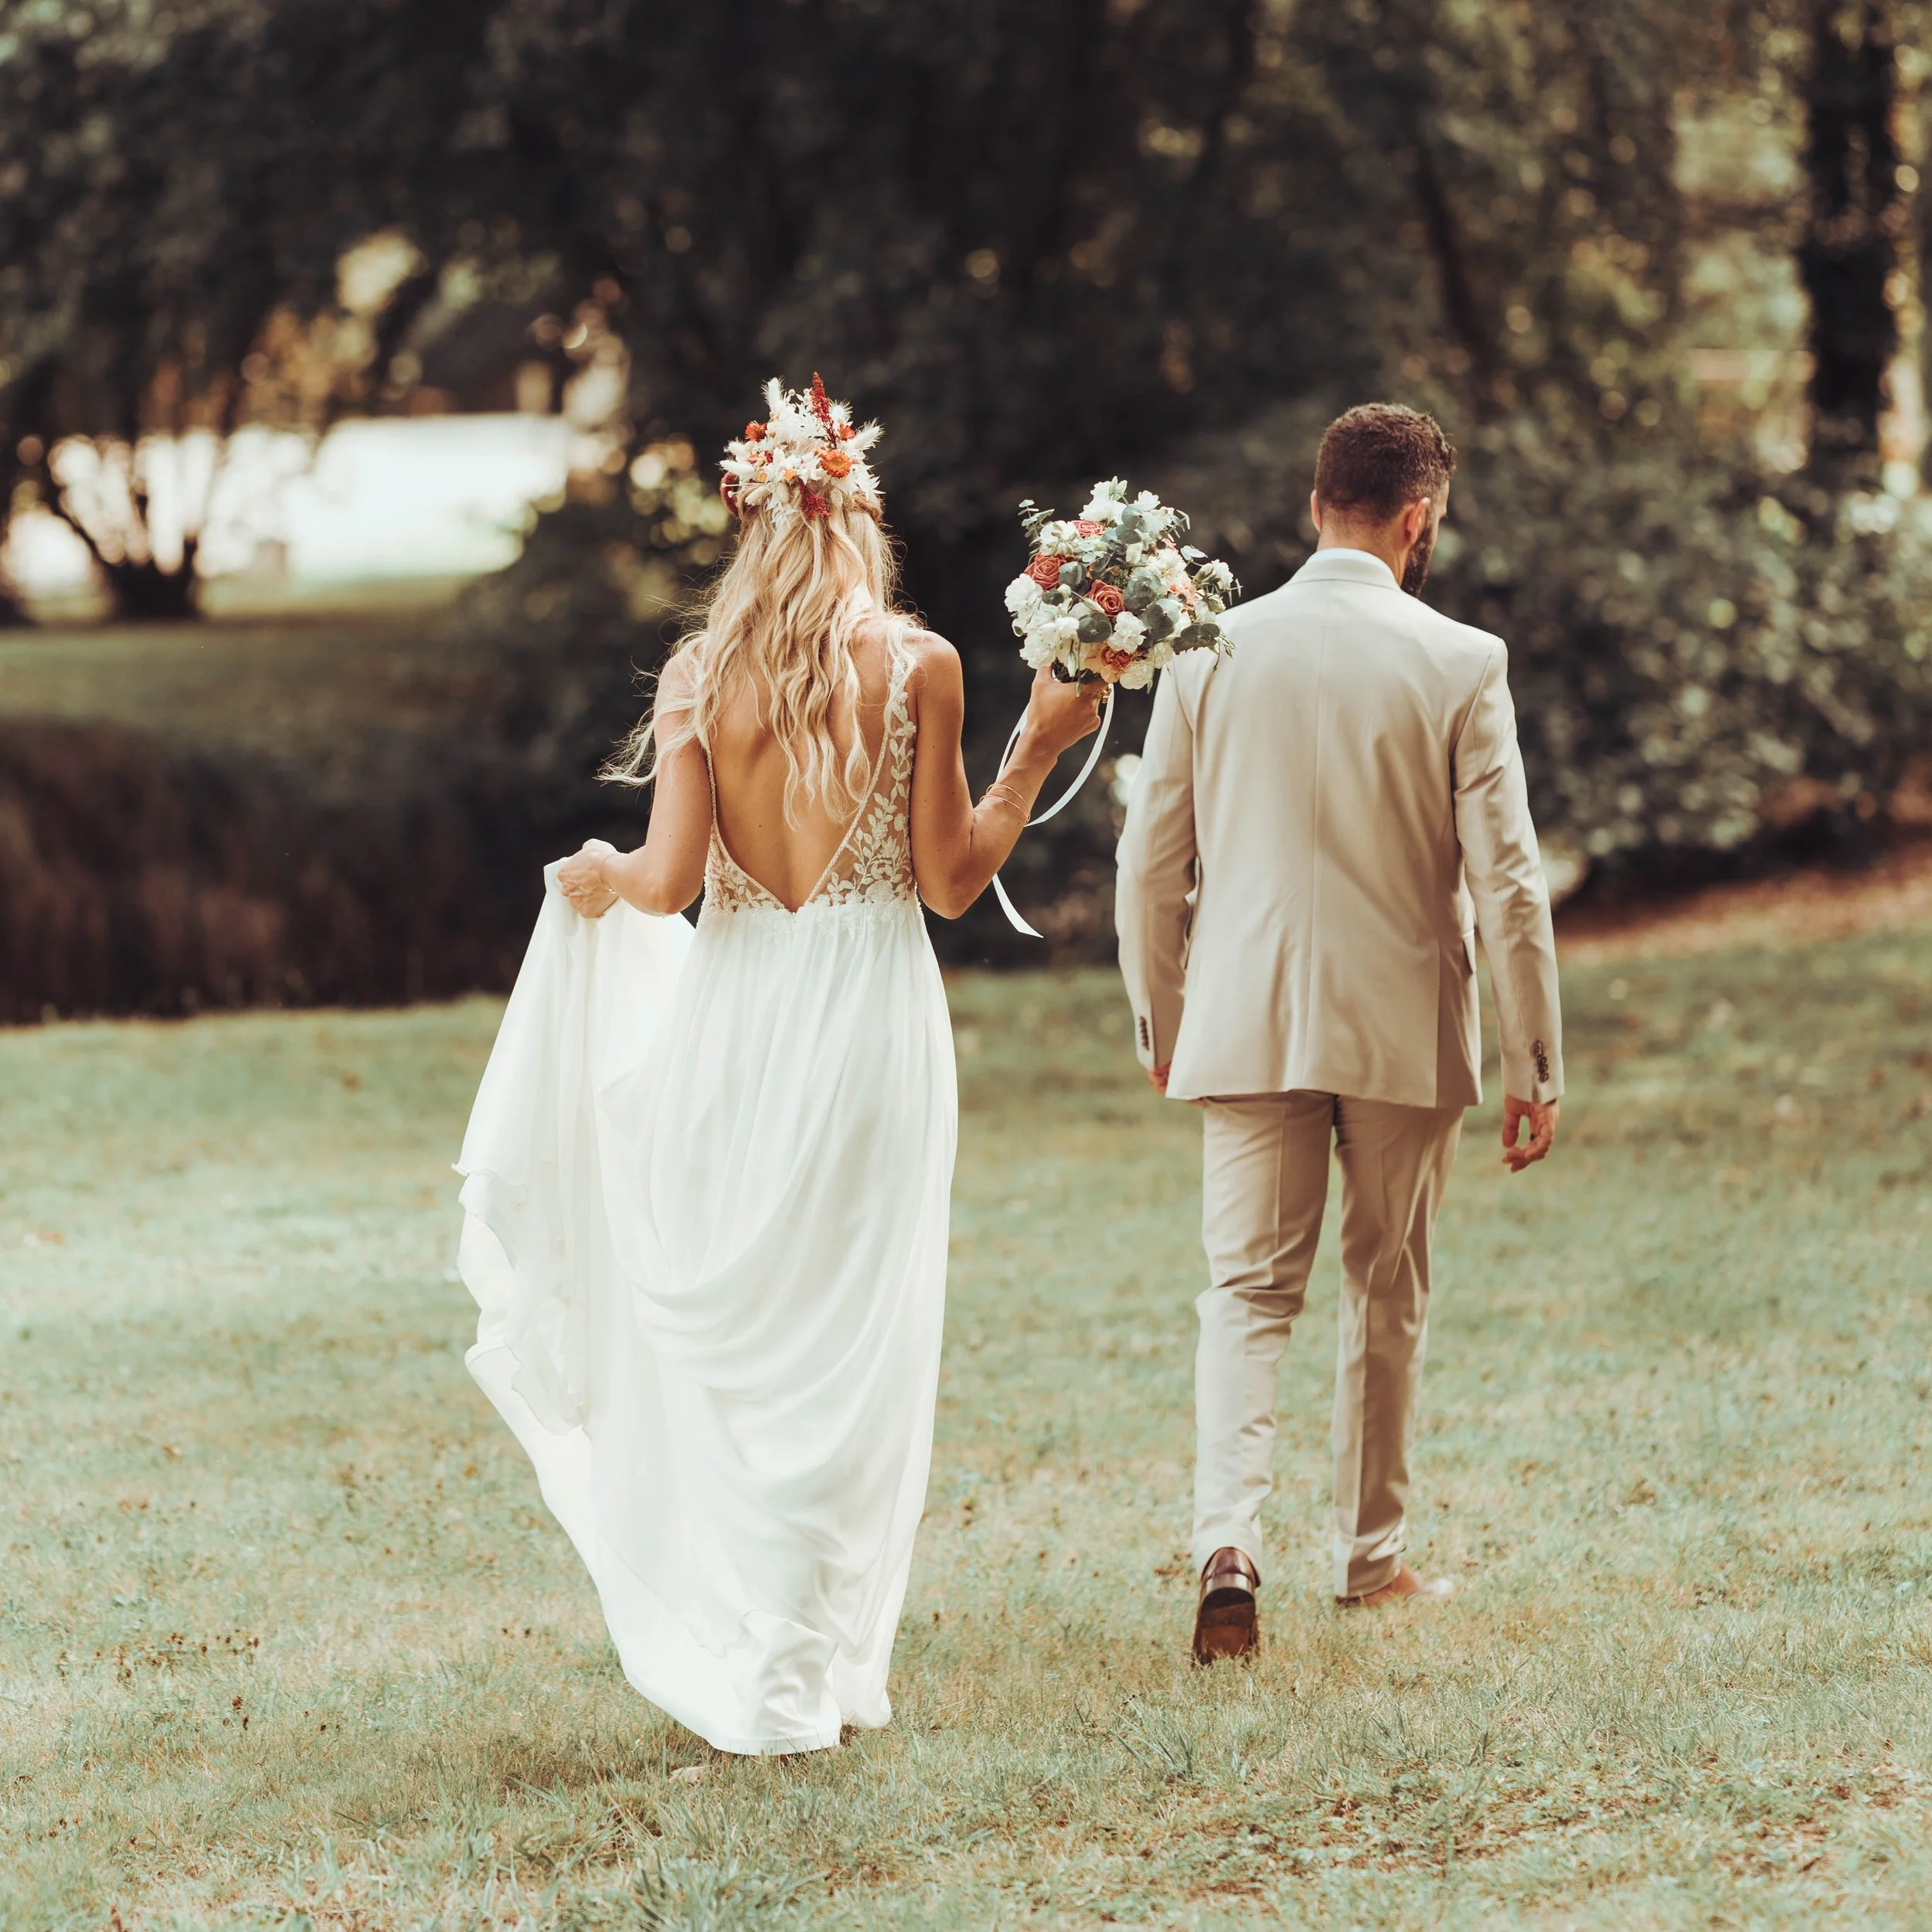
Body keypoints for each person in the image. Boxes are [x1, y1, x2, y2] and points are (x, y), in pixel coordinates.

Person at [455, 376, 1100, 1754]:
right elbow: (946, 884)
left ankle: (775, 1660)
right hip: (867, 1019)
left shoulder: (701, 673)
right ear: (859, 515)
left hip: (735, 1021)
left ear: (754, 523)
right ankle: (803, 1666)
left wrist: (599, 872)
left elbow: (669, 879)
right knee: (850, 1347)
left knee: (754, 1346)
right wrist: (1038, 747)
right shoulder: (921, 664)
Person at [1115, 403, 1563, 1662]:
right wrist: (1534, 1056)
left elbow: (1154, 858)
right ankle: (1370, 1560)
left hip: (1245, 1014)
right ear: (1417, 518)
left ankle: (1228, 1543)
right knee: (1385, 1289)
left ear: (1316, 504)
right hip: (1401, 1025)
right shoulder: (1462, 659)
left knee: (1247, 1293)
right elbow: (1510, 882)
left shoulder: (1206, 650)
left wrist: (1164, 1008)